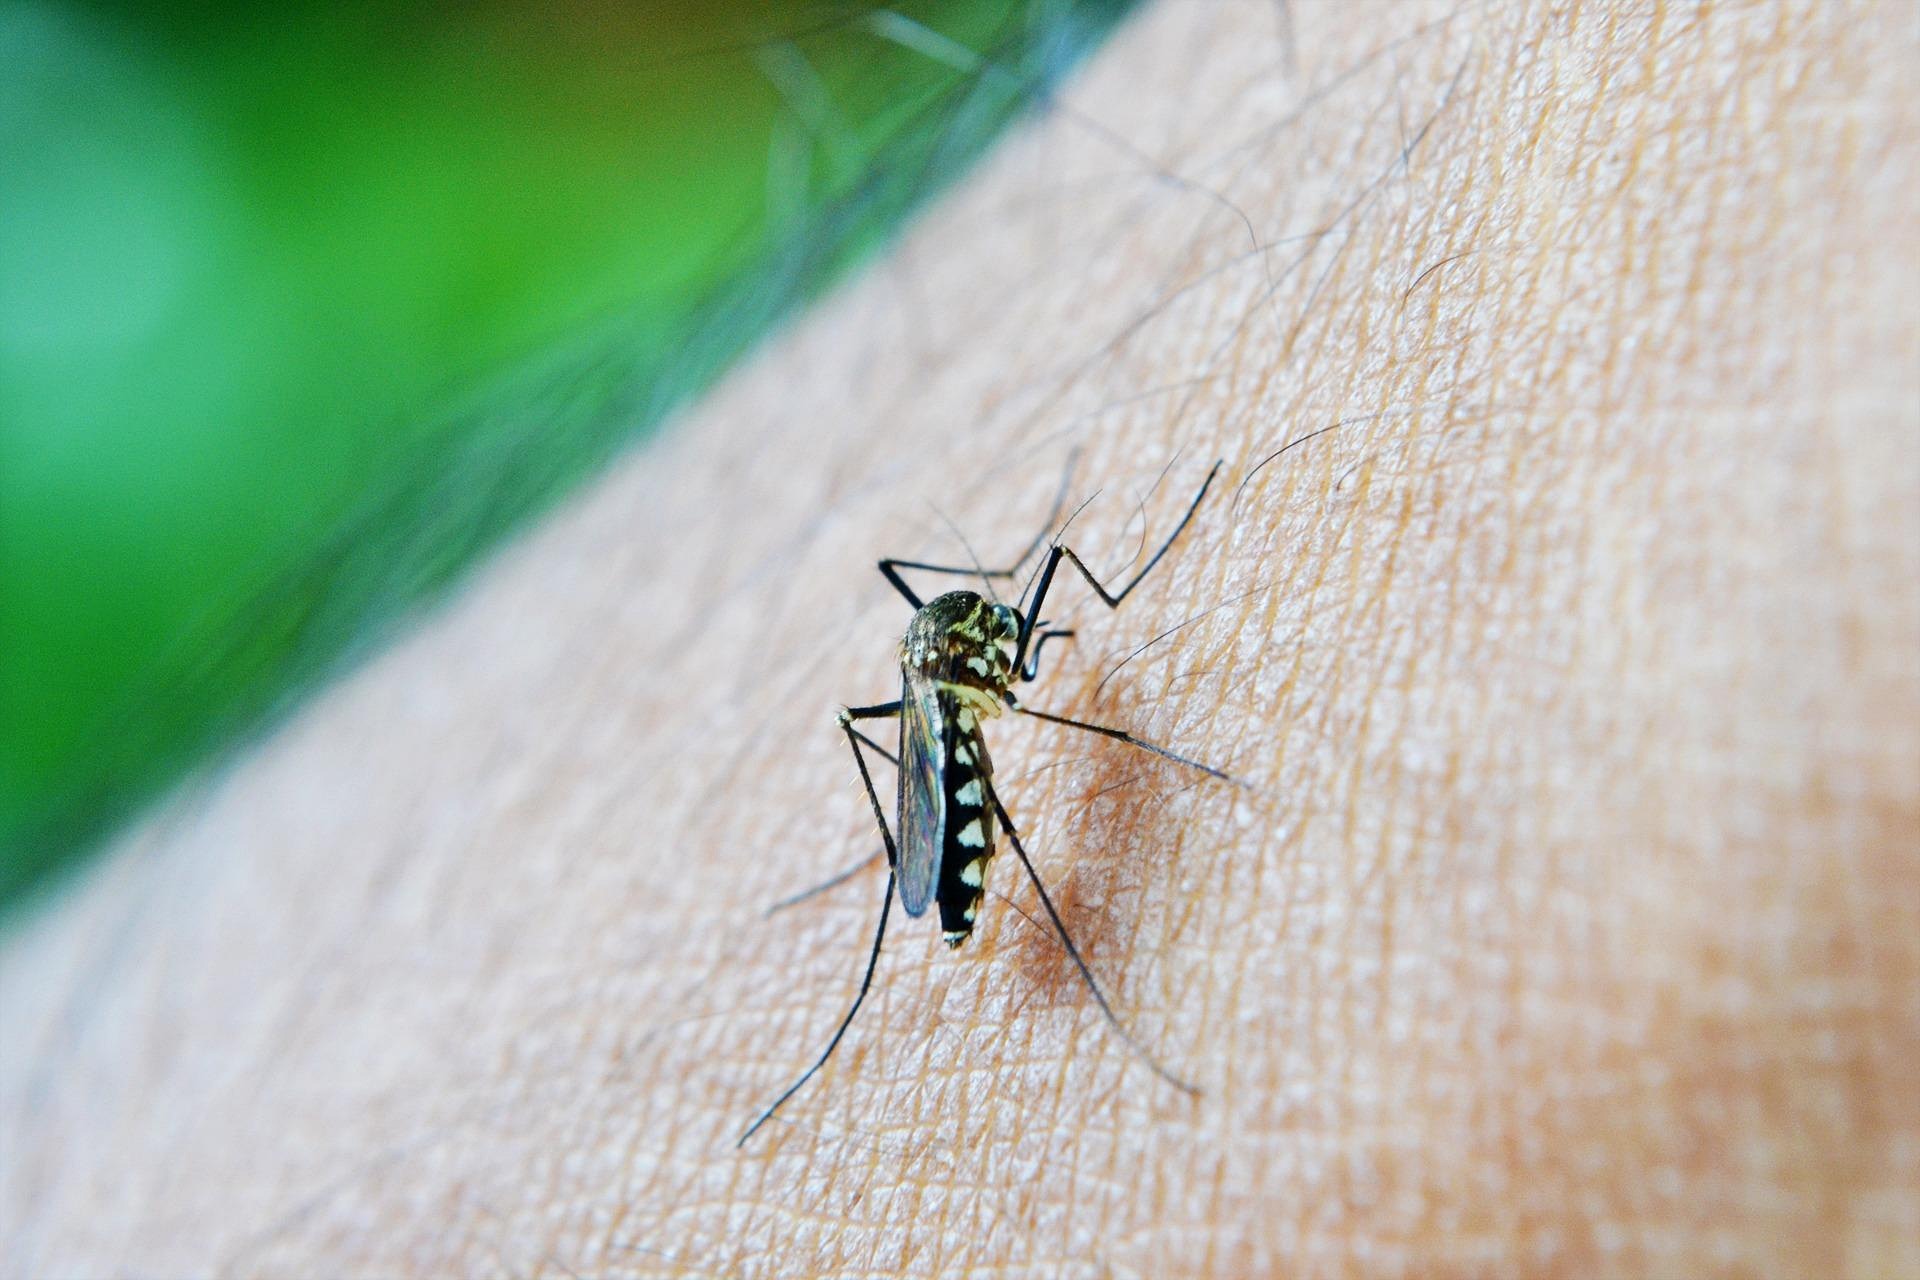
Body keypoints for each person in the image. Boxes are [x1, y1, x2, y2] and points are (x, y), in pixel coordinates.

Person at [3, 2, 1914, 1274]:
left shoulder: (957, 645)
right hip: (960, 838)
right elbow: (968, 701)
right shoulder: (959, 695)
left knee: (944, 702)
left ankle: (907, 924)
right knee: (984, 774)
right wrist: (1023, 761)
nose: (1005, 635)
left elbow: (969, 645)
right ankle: (895, 967)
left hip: (935, 759)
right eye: (994, 628)